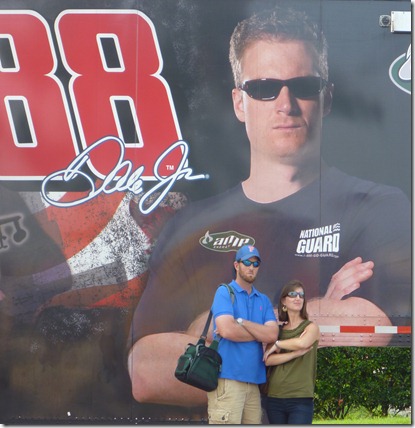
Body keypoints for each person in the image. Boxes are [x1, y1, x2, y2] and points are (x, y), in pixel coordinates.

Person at [128, 5, 410, 416]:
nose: (285, 103)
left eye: (304, 86)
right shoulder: (191, 226)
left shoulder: (378, 207)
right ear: (239, 103)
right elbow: (146, 371)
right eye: (264, 88)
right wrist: (308, 318)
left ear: (327, 99)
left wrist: (214, 329)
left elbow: (371, 333)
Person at [207, 244, 278, 424]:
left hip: (253, 384)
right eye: (247, 262)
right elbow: (227, 330)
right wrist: (260, 332)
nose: (251, 267)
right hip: (227, 380)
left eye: (255, 264)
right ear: (236, 265)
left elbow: (272, 335)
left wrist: (242, 322)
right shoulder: (224, 292)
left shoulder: (263, 300)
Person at [263, 280, 320, 425]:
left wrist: (278, 344)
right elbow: (268, 360)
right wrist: (294, 354)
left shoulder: (311, 327)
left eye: (301, 295)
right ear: (283, 301)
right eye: (293, 294)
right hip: (275, 397)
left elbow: (302, 343)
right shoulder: (278, 331)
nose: (298, 298)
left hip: (300, 398)